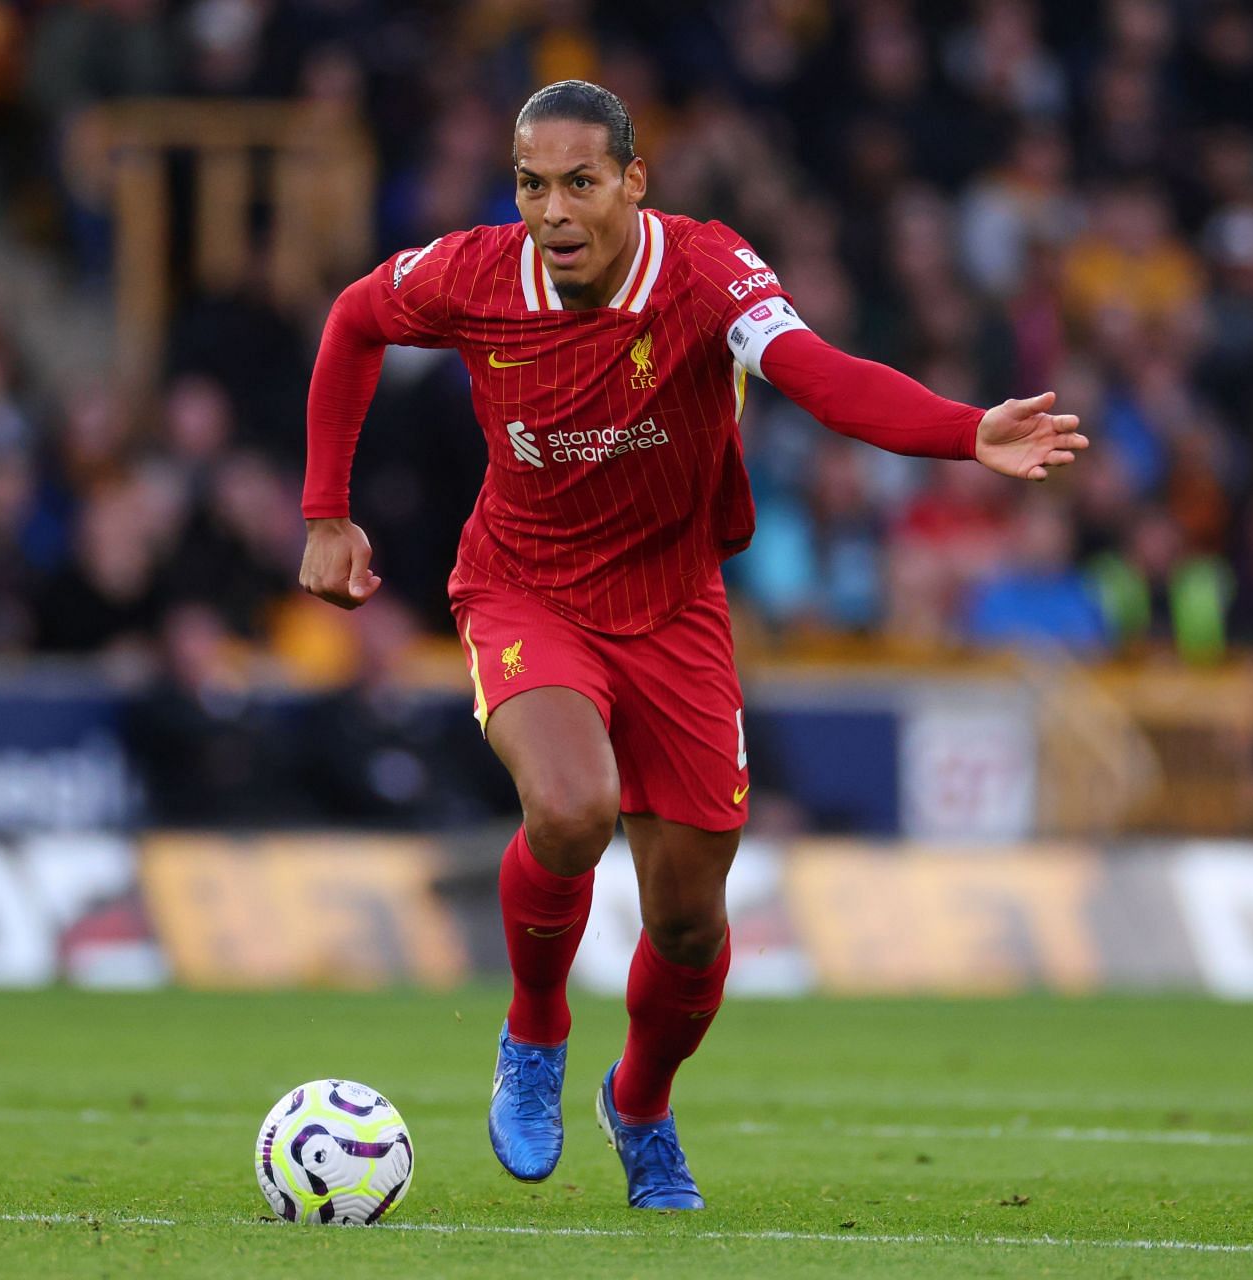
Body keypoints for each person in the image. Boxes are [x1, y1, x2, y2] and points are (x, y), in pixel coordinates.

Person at [296, 81, 1087, 1210]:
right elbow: (352, 322)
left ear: (632, 181)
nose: (554, 210)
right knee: (569, 808)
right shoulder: (475, 274)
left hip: (674, 610)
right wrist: (327, 510)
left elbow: (818, 373)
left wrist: (966, 432)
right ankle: (534, 1031)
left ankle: (643, 1104)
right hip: (525, 590)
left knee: (686, 918)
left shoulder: (707, 273)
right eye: (532, 184)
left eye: (579, 182)